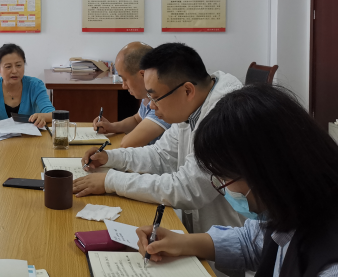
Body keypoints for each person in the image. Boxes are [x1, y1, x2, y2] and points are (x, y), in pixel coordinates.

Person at [136, 85, 338, 277]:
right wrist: (182, 242)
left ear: (264, 172)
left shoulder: (329, 266)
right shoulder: (297, 204)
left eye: (224, 177)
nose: (224, 187)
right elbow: (253, 242)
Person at [73, 43, 246, 236]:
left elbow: (187, 189)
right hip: (198, 235)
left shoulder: (224, 118)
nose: (151, 107)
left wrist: (111, 181)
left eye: (155, 98)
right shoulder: (191, 106)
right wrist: (110, 158)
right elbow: (161, 155)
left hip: (227, 242)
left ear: (187, 91)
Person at [92, 42, 171, 148]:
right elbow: (137, 120)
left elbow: (128, 143)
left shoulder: (163, 101)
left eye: (125, 79)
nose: (124, 86)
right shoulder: (148, 96)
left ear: (143, 75)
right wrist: (111, 127)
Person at [0, 43, 54, 129]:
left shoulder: (35, 85)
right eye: (8, 66)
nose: (14, 71)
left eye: (19, 65)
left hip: (29, 136)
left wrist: (43, 116)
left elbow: (52, 114)